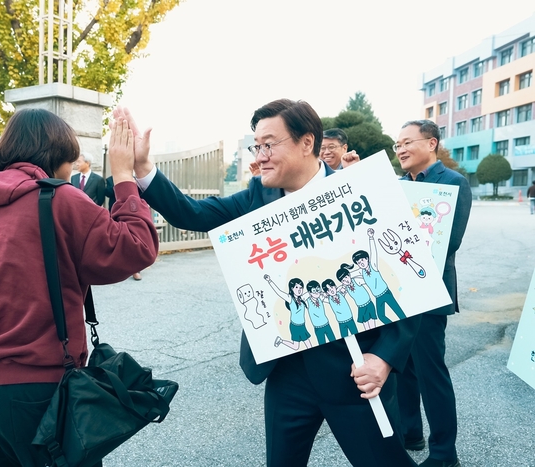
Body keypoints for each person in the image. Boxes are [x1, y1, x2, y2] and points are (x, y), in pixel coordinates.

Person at [119, 100, 420, 467]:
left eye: (269, 144)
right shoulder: (257, 196)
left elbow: (410, 282)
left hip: (357, 371)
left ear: (306, 142)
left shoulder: (361, 191)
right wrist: (143, 168)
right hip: (287, 373)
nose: (260, 155)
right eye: (256, 145)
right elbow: (191, 213)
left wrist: (385, 358)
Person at [0, 108, 158, 467]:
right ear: (56, 157)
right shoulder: (61, 200)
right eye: (69, 159)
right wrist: (124, 176)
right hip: (38, 394)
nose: (70, 168)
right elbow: (135, 248)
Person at [394, 120, 471, 467]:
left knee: (430, 373)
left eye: (407, 142)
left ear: (432, 144)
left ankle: (444, 453)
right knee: (402, 368)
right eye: (397, 145)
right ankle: (411, 433)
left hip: (429, 291)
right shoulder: (395, 186)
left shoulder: (453, 184)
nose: (400, 150)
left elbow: (448, 243)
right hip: (397, 289)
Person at [106, 175, 142, 280]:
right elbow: (107, 193)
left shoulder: (134, 177)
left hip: (131, 211)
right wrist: (119, 186)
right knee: (116, 239)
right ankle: (117, 267)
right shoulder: (109, 179)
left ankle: (136, 270)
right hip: (114, 212)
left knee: (133, 239)